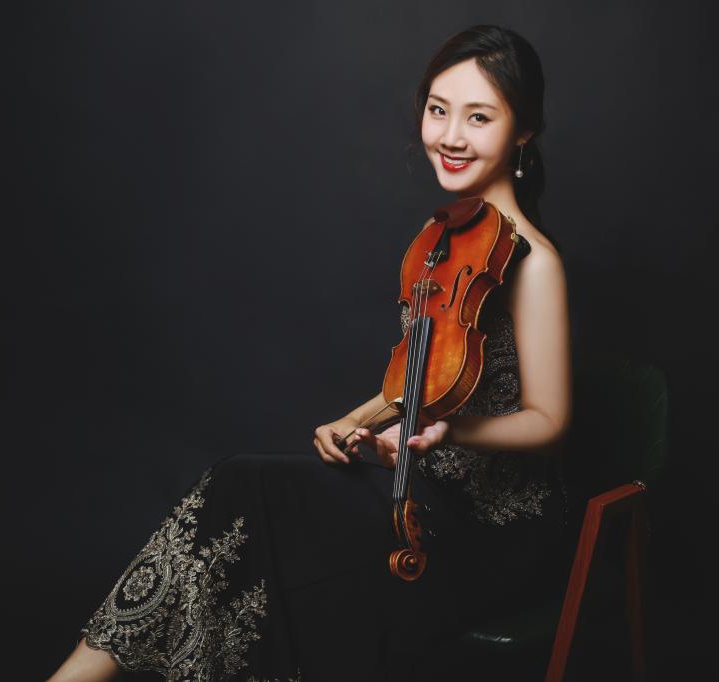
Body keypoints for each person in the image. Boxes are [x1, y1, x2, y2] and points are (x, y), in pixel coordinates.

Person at [47, 24, 571, 682]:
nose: (451, 136)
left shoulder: (534, 261)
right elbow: (424, 376)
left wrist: (449, 432)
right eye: (439, 110)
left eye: (479, 117)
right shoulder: (439, 238)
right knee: (245, 487)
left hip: (490, 534)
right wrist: (356, 421)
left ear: (523, 133)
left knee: (275, 531)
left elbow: (550, 420)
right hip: (418, 492)